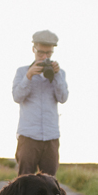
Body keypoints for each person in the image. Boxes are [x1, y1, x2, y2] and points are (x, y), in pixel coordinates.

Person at [12, 30, 69, 175]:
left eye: (48, 53)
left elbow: (63, 98)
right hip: (28, 136)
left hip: (51, 136)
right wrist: (29, 76)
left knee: (50, 182)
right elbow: (17, 97)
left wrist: (56, 76)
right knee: (25, 181)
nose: (44, 57)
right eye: (41, 53)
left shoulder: (60, 73)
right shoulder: (22, 72)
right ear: (33, 49)